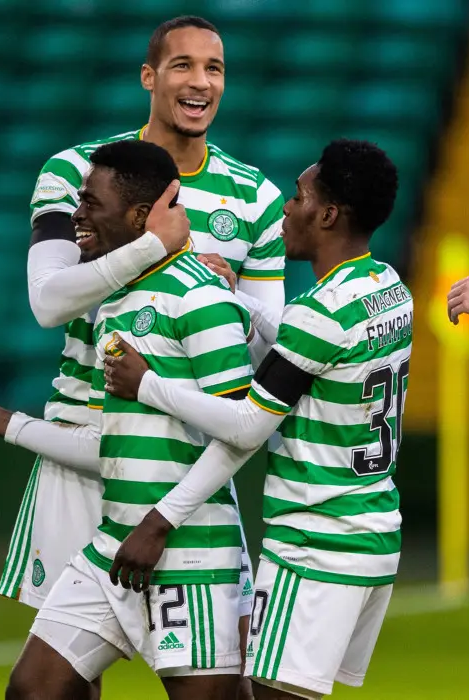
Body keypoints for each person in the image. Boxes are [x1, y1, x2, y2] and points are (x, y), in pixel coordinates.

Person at [2, 12, 284, 691]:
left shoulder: (257, 198)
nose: (199, 82)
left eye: (213, 68)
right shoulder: (77, 170)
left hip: (181, 455)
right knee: (57, 682)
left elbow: (266, 341)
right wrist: (155, 250)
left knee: (206, 681)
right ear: (149, 76)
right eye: (182, 65)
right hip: (84, 433)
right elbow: (48, 302)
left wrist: (214, 287)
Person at [103, 139, 410, 700]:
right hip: (373, 531)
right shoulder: (388, 289)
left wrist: (148, 385)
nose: (287, 209)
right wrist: (241, 301)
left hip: (316, 542)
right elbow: (308, 346)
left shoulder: (322, 312)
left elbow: (248, 425)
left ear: (328, 214)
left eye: (298, 197)